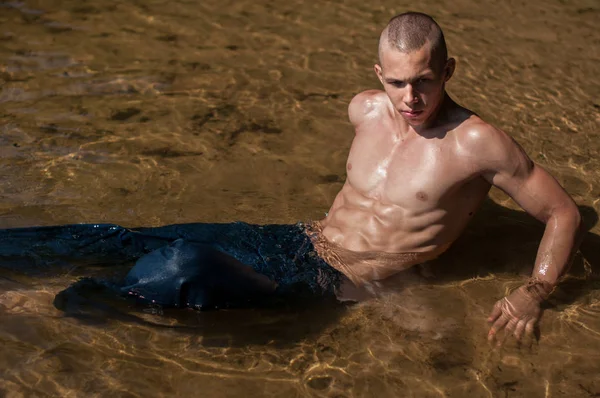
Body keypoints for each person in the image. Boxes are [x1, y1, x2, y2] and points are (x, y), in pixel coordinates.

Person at [309, 11, 583, 344]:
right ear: (379, 75)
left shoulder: (477, 143)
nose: (410, 98)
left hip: (344, 281)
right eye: (396, 83)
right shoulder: (365, 110)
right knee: (227, 257)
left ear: (447, 71)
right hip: (303, 243)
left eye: (422, 80)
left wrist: (534, 293)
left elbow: (563, 213)